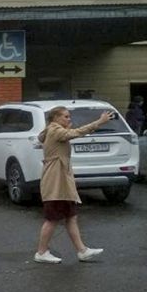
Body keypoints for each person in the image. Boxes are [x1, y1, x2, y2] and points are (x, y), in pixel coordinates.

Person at [34, 106, 115, 264]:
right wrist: (100, 121)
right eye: (65, 116)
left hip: (62, 180)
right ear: (55, 118)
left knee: (71, 216)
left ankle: (82, 251)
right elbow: (76, 133)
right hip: (55, 181)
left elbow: (71, 133)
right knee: (52, 218)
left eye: (68, 116)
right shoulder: (54, 130)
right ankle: (41, 252)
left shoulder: (55, 129)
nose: (69, 119)